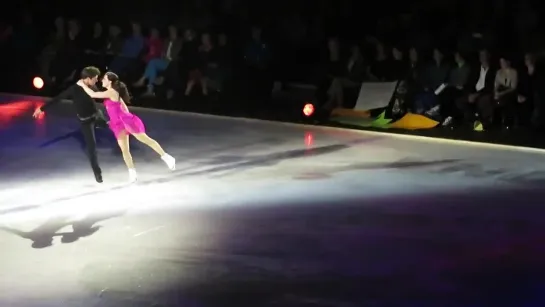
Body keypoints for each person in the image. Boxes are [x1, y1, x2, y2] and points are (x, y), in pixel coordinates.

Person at [77, 71, 175, 183]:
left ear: (110, 81)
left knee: (145, 140)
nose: (102, 80)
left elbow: (93, 95)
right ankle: (132, 173)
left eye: (104, 78)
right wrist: (115, 120)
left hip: (126, 121)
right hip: (118, 124)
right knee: (124, 149)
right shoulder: (112, 93)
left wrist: (82, 84)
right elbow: (123, 107)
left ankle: (167, 158)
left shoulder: (112, 92)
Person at [33, 66, 106, 183]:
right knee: (92, 148)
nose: (96, 80)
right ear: (88, 78)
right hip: (86, 122)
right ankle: (97, 173)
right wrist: (42, 108)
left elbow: (102, 97)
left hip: (96, 115)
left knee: (110, 125)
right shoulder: (74, 89)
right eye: (95, 78)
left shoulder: (92, 86)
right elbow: (58, 98)